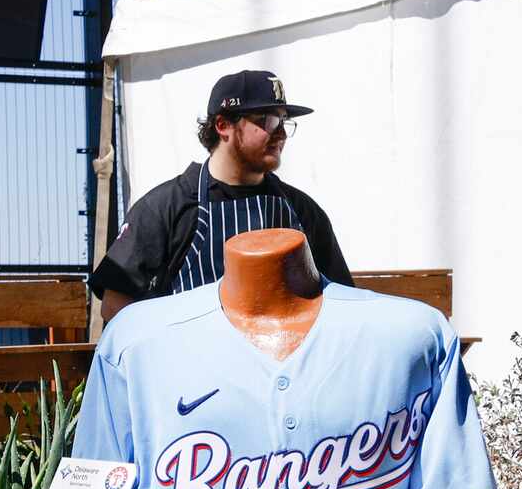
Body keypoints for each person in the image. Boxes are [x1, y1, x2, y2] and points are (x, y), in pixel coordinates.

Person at [86, 70, 353, 319]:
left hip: (285, 365)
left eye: (284, 121)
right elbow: (115, 307)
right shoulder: (165, 207)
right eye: (269, 121)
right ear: (223, 125)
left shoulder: (300, 210)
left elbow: (340, 299)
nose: (281, 134)